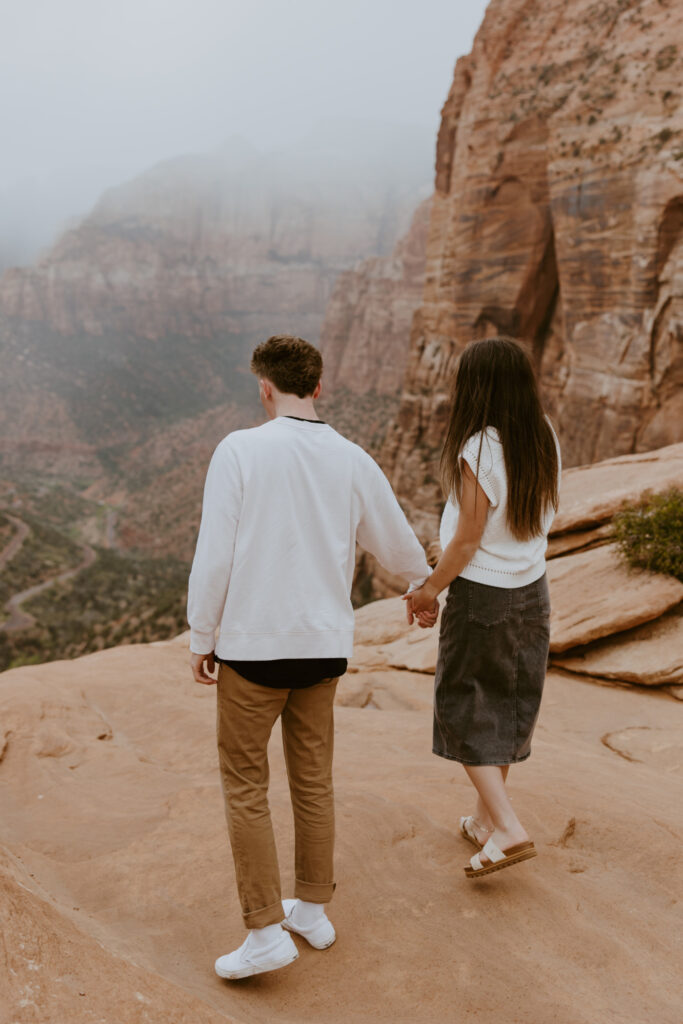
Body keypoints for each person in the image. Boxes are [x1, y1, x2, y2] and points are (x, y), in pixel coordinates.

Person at [187, 334, 435, 980]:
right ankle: (312, 910)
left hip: (254, 649)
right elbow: (396, 537)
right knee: (312, 781)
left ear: (263, 387)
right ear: (318, 387)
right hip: (323, 650)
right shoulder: (351, 458)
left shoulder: (239, 449)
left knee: (246, 788)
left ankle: (265, 929)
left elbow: (215, 553)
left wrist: (200, 635)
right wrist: (419, 587)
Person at [406, 337, 560, 879]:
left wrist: (429, 589)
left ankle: (510, 828)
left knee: (462, 709)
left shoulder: (480, 448)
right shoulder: (543, 434)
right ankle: (485, 820)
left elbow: (470, 540)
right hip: (531, 592)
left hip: (484, 596)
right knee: (504, 702)